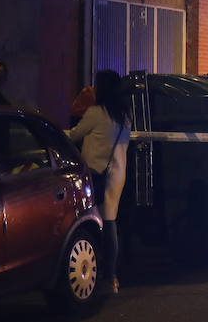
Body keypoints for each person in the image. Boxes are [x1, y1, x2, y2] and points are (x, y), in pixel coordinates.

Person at [66, 69, 131, 294]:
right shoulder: (123, 116)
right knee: (111, 221)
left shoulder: (96, 113)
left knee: (92, 223)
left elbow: (74, 135)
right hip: (117, 175)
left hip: (96, 174)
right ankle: (111, 276)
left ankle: (99, 273)